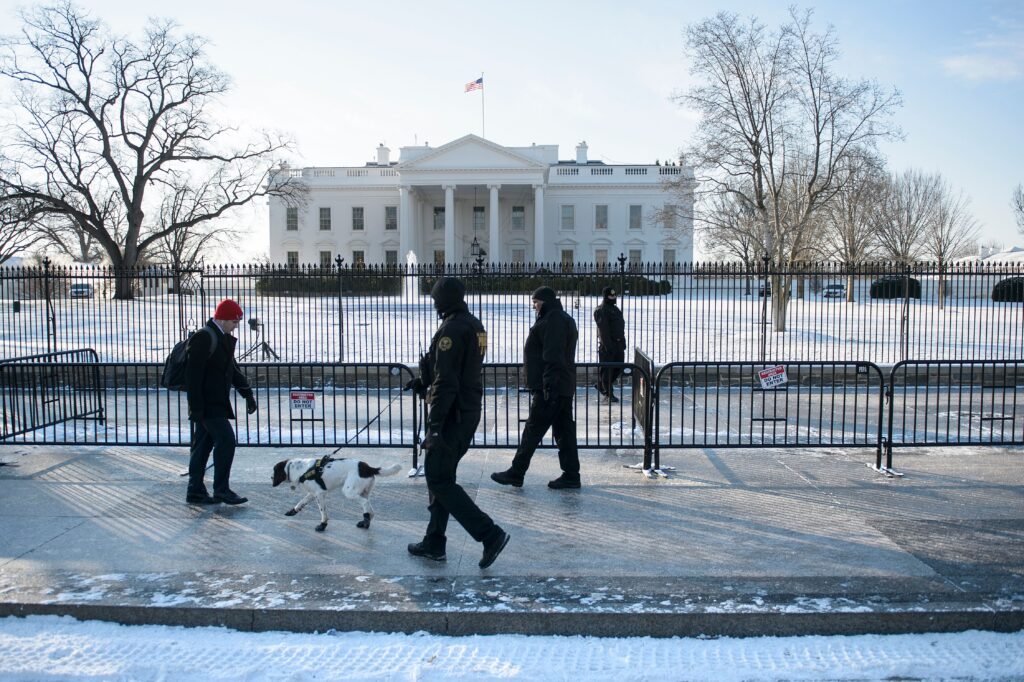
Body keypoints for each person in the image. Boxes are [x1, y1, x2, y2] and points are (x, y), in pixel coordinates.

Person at [406, 277, 510, 569]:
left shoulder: (451, 329)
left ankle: (489, 535)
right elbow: (458, 369)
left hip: (453, 415)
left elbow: (447, 380)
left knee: (438, 478)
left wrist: (435, 424)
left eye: (437, 299)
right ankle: (434, 543)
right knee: (442, 477)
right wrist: (423, 380)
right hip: (467, 410)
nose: (434, 304)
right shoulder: (474, 325)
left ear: (446, 299)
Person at [491, 286, 581, 490]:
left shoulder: (554, 320)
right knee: (564, 431)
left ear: (546, 302)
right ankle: (571, 474)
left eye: (536, 302)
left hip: (551, 387)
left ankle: (517, 472)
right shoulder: (556, 317)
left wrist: (549, 385)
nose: (534, 306)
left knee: (533, 430)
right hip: (560, 385)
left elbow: (553, 355)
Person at [184, 298, 258, 506]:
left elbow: (232, 370)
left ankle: (195, 491)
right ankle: (221, 490)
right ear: (223, 319)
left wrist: (247, 394)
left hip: (216, 401)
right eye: (234, 322)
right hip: (207, 404)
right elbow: (193, 376)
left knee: (202, 447)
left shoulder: (221, 337)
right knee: (226, 441)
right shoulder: (204, 338)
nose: (236, 327)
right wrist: (196, 407)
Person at [593, 286, 626, 402]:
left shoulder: (615, 309)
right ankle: (608, 393)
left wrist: (622, 342)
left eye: (614, 295)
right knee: (607, 371)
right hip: (608, 345)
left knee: (618, 368)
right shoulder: (601, 310)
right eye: (611, 295)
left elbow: (620, 327)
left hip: (618, 344)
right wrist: (608, 346)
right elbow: (603, 331)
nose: (613, 297)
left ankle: (601, 385)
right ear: (605, 296)